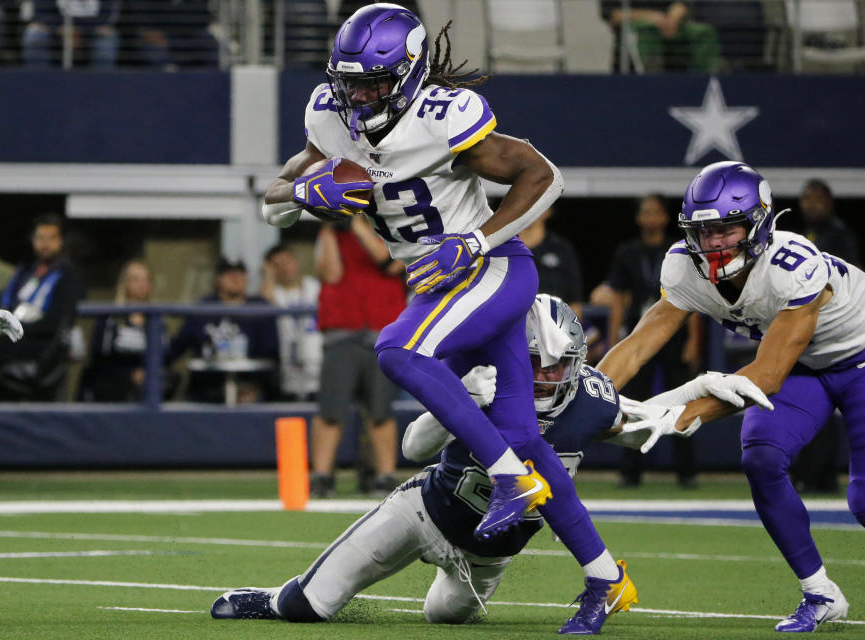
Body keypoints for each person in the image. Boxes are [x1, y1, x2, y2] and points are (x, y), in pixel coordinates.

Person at [258, 3, 635, 632]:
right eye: (351, 82)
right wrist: (300, 193)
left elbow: (544, 177)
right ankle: (606, 579)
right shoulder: (329, 114)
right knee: (525, 440)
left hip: (489, 270)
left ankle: (508, 480)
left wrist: (477, 239)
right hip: (442, 281)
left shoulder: (443, 116)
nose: (359, 95)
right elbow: (277, 195)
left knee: (399, 352)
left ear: (407, 72)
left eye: (373, 82)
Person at [210, 294, 769, 631]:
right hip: (423, 513)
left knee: (442, 619)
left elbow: (651, 423)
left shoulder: (590, 401)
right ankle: (273, 597)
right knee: (313, 606)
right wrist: (460, 399)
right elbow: (412, 448)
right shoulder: (486, 381)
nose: (547, 376)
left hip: (488, 558)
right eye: (535, 364)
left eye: (558, 366)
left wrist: (704, 387)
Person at [598, 161, 865, 632]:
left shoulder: (792, 266)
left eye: (727, 230)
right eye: (703, 232)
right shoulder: (684, 266)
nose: (713, 244)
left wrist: (674, 416)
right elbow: (642, 342)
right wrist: (590, 393)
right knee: (762, 459)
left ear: (760, 222)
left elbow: (765, 377)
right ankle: (821, 593)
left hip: (863, 358)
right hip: (803, 367)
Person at [603, 194, 700, 488]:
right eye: (644, 212)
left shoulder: (679, 250)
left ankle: (686, 472)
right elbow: (618, 299)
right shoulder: (627, 252)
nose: (649, 217)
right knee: (632, 403)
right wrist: (612, 339)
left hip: (675, 334)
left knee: (682, 402)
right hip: (640, 334)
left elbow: (694, 296)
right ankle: (630, 471)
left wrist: (693, 340)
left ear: (664, 217)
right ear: (638, 218)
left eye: (654, 212)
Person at [309, 217, 404, 497]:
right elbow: (330, 274)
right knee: (330, 410)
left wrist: (358, 226)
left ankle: (384, 475)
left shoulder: (390, 225)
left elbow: (390, 264)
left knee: (380, 409)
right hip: (342, 331)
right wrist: (329, 232)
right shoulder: (332, 232)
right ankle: (322, 477)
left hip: (382, 331)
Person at [790, 178, 860, 494]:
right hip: (803, 329)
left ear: (828, 203)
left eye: (816, 200)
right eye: (805, 199)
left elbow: (848, 279)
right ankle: (806, 471)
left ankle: (824, 473)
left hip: (831, 328)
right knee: (802, 400)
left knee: (827, 402)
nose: (810, 205)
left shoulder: (841, 236)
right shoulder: (800, 236)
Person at [166, 258, 279, 403]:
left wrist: (255, 386)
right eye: (229, 274)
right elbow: (177, 347)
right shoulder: (203, 309)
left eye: (240, 273)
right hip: (207, 387)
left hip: (250, 386)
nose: (235, 278)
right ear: (218, 279)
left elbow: (272, 355)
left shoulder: (260, 308)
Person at [0, 214, 83, 401]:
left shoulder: (68, 277)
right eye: (40, 238)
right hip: (10, 339)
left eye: (51, 238)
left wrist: (13, 328)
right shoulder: (24, 271)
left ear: (60, 241)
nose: (45, 244)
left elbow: (56, 322)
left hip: (39, 347)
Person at [79, 259, 175, 402]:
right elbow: (99, 359)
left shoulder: (156, 320)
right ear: (124, 284)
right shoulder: (111, 318)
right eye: (135, 280)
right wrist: (129, 374)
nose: (142, 285)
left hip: (150, 384)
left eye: (146, 280)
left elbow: (166, 357)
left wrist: (149, 373)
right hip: (115, 385)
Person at [261, 244, 322, 401]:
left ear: (295, 262)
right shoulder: (275, 292)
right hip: (289, 367)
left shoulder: (314, 286)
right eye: (277, 265)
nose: (284, 268)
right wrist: (268, 275)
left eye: (287, 262)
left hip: (318, 365)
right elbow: (263, 302)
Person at [599, 1, 722, 73]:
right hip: (638, 28)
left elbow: (682, 4)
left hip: (672, 25)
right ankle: (653, 77)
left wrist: (672, 19)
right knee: (647, 29)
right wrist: (652, 17)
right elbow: (613, 15)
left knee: (702, 32)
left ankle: (709, 78)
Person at [518, 205, 584, 315]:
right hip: (515, 319)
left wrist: (572, 329)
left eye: (537, 203)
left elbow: (574, 299)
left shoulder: (562, 249)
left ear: (548, 211)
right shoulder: (504, 247)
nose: (529, 209)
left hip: (553, 319)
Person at [22, 0, 120, 69]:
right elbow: (40, 14)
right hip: (56, 31)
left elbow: (107, 16)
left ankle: (100, 89)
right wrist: (60, 29)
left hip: (92, 33)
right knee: (35, 36)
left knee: (106, 42)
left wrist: (80, 30)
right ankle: (38, 82)